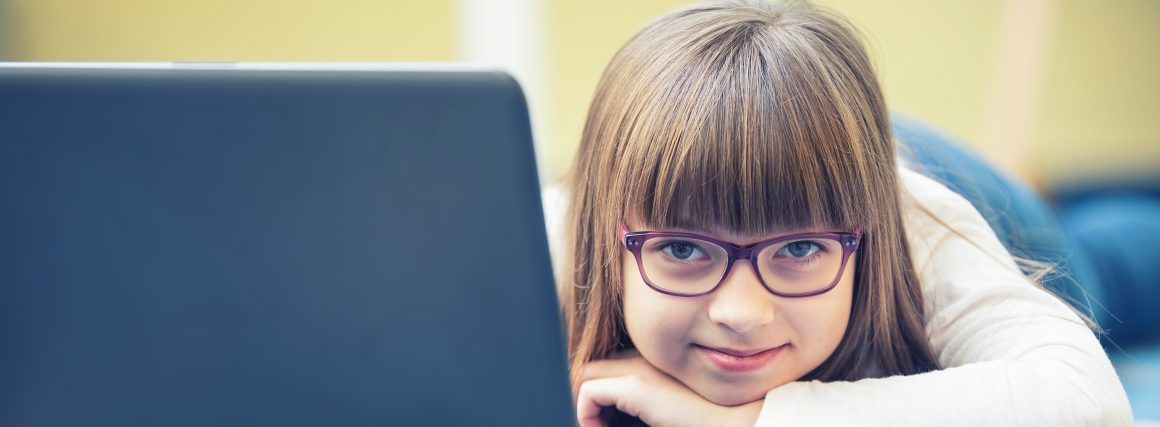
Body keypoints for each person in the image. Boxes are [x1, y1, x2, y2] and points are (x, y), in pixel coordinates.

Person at [545, 0, 1133, 425]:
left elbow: (1087, 400)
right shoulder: (543, 238)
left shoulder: (918, 228)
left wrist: (750, 423)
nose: (741, 313)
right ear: (607, 231)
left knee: (1114, 261)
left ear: (863, 236)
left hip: (992, 206)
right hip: (801, 155)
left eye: (799, 249)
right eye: (682, 249)